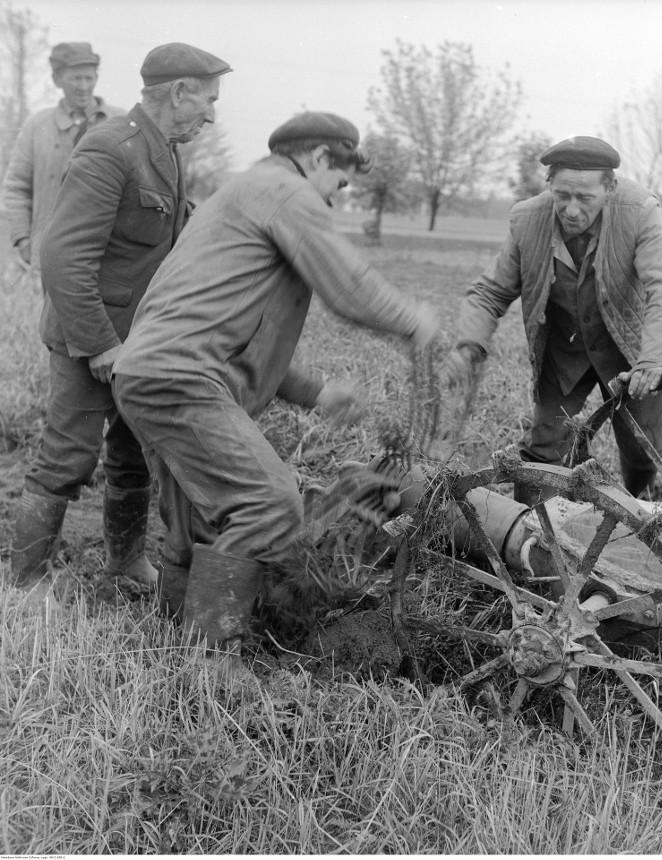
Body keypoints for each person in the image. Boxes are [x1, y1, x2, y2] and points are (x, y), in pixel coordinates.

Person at [112, 111, 439, 669]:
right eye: (340, 180)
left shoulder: (238, 195)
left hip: (148, 372)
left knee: (199, 513)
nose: (339, 195)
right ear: (317, 158)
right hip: (182, 376)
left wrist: (315, 391)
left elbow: (235, 332)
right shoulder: (285, 191)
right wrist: (414, 320)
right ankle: (209, 664)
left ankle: (172, 641)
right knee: (269, 504)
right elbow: (348, 284)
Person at [7, 42, 233, 600]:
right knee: (67, 457)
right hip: (92, 342)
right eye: (207, 99)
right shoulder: (110, 147)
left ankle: (126, 560)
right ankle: (25, 583)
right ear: (177, 92)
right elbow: (63, 257)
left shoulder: (166, 150)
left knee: (132, 457)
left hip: (140, 344)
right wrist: (101, 345)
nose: (211, 113)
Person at [446, 136, 662, 502]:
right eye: (562, 196)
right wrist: (469, 344)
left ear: (609, 188)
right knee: (544, 447)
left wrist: (652, 359)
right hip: (565, 350)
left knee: (643, 449)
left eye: (585, 198)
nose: (571, 210)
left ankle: (637, 508)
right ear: (550, 186)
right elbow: (489, 292)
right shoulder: (527, 219)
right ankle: (532, 534)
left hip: (630, 349)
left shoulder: (639, 211)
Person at [1, 42, 125, 281]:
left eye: (89, 78)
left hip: (109, 255)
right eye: (75, 79)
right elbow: (16, 187)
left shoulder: (120, 121)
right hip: (49, 254)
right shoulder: (37, 126)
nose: (84, 87)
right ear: (57, 79)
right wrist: (23, 239)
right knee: (49, 317)